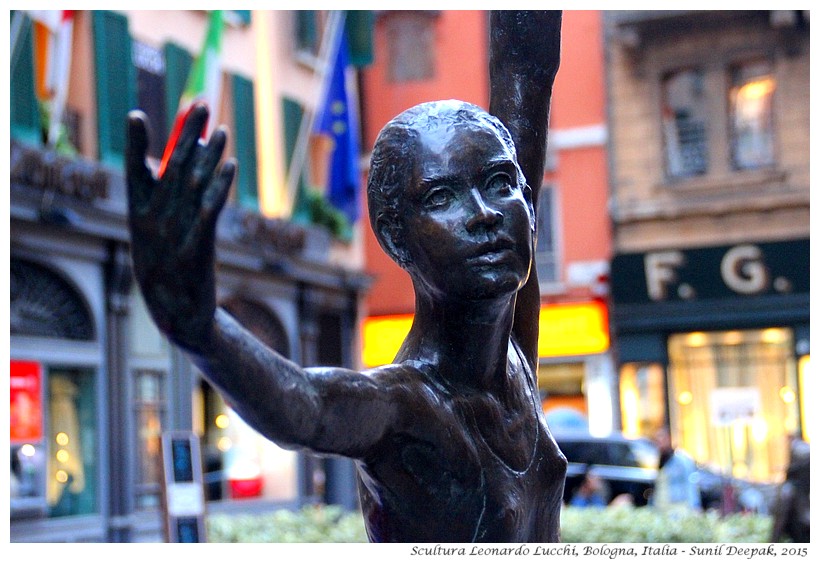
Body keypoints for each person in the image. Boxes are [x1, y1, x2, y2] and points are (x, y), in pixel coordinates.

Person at [125, 11, 565, 543]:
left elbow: (525, 70)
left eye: (498, 183)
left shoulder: (514, 347)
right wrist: (202, 331)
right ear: (395, 237)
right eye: (441, 197)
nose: (485, 213)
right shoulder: (406, 407)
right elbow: (305, 407)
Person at [650, 427, 701, 511]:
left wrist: (694, 505)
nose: (659, 444)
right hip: (662, 507)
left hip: (678, 507)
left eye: (661, 440)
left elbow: (690, 483)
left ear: (669, 439)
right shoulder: (661, 459)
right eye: (657, 441)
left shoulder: (681, 459)